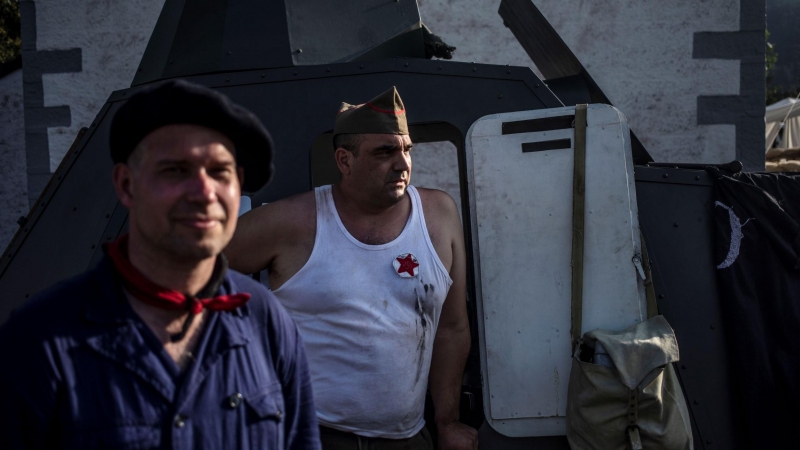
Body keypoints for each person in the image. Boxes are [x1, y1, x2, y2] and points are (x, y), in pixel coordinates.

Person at [0, 80, 320, 450]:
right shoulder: (37, 343)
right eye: (174, 171)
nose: (204, 192)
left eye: (220, 172)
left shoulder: (265, 322)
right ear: (126, 185)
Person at [226, 87, 478, 450]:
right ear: (344, 161)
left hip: (408, 437)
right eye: (385, 151)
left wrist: (447, 422)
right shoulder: (295, 221)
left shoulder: (438, 215)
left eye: (407, 149)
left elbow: (452, 328)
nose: (403, 163)